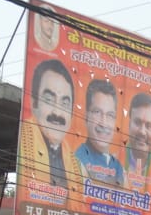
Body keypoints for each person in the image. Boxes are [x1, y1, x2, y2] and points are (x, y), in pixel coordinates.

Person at [21, 58, 78, 196]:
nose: (57, 113)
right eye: (49, 100)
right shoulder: (21, 145)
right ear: (34, 104)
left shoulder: (76, 166)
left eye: (64, 104)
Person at [73, 79, 124, 187]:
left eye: (110, 115)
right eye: (97, 112)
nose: (104, 123)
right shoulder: (76, 163)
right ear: (86, 116)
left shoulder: (118, 168)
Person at [123, 91, 151, 190]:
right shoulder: (111, 165)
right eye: (137, 123)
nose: (142, 132)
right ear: (129, 124)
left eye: (148, 126)